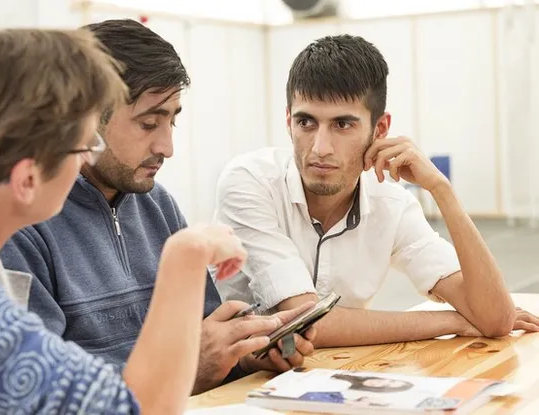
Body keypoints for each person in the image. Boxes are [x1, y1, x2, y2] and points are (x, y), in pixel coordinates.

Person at [0, 24, 251, 414]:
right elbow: (124, 410)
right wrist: (187, 253)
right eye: (84, 144)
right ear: (27, 178)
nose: (87, 158)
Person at [0, 18, 316, 395]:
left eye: (171, 122)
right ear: (81, 121)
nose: (166, 147)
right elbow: (39, 394)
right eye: (148, 123)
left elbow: (205, 339)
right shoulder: (21, 225)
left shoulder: (158, 205)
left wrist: (245, 352)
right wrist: (183, 369)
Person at [213, 34, 539, 348]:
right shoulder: (249, 182)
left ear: (379, 129)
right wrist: (450, 321)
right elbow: (305, 320)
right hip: (232, 385)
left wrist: (442, 191)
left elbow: (495, 320)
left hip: (330, 377)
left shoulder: (391, 203)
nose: (320, 148)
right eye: (306, 123)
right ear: (289, 121)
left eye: (343, 124)